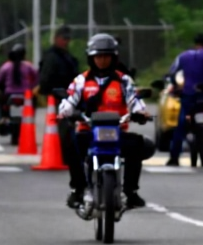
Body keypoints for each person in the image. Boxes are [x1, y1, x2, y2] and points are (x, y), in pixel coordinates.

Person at [59, 33, 153, 209]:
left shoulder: (123, 80)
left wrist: (141, 113)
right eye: (98, 56)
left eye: (106, 56)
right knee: (71, 144)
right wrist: (67, 112)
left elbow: (135, 101)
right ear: (91, 58)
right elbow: (69, 101)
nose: (102, 60)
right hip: (88, 132)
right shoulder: (81, 81)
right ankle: (78, 189)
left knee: (137, 145)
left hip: (117, 133)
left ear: (114, 58)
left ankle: (130, 191)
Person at [164, 33, 203, 166]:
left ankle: (174, 157)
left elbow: (172, 72)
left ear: (195, 43)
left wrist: (176, 86)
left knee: (180, 125)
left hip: (187, 94)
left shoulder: (183, 55)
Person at [39, 25, 81, 175]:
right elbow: (46, 76)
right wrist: (48, 93)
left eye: (68, 39)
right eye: (64, 38)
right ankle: (63, 155)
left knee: (69, 126)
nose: (66, 41)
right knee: (63, 127)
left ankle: (68, 155)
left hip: (69, 95)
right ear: (57, 39)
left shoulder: (65, 55)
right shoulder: (52, 56)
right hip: (58, 96)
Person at [0, 43, 38, 128]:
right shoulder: (28, 66)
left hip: (9, 94)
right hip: (25, 94)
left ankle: (4, 117)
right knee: (33, 100)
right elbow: (37, 77)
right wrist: (32, 87)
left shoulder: (6, 66)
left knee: (1, 98)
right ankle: (31, 116)